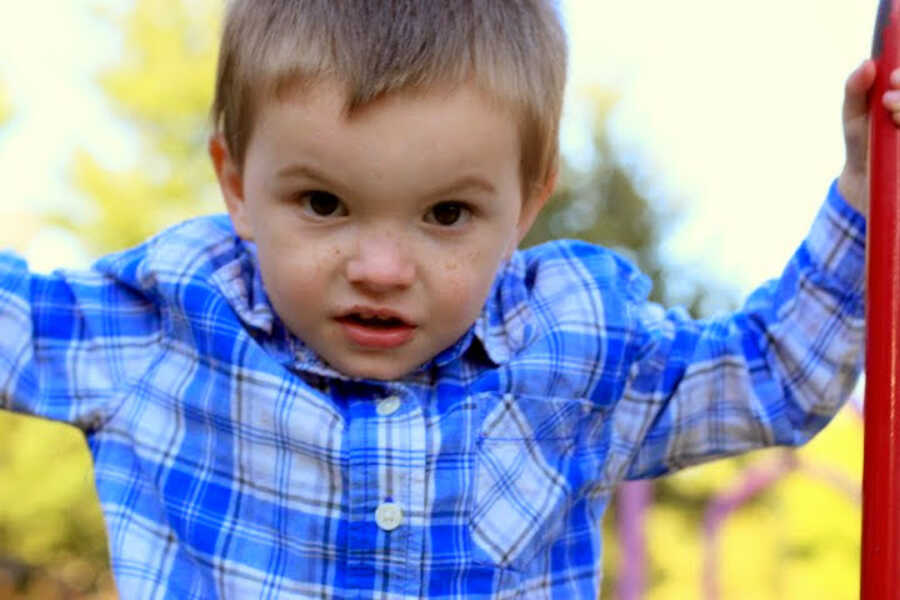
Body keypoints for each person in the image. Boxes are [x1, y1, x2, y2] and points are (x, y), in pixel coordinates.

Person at [0, 0, 890, 597]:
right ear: (235, 183)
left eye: (446, 214)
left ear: (526, 203)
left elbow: (776, 372)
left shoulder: (576, 355)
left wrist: (866, 183)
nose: (382, 267)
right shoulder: (166, 325)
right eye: (323, 203)